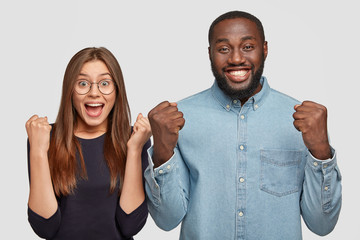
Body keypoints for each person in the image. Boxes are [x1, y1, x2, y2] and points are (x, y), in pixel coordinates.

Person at [144, 11, 342, 239]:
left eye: (248, 46)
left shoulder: (302, 121)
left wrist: (321, 152)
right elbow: (167, 220)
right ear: (210, 53)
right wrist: (161, 153)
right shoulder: (178, 119)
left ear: (265, 49)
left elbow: (322, 225)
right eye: (224, 49)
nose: (236, 58)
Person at [25, 47, 151, 239]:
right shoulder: (45, 138)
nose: (94, 93)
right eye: (83, 83)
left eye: (105, 83)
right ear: (70, 90)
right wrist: (38, 151)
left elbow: (130, 225)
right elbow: (45, 227)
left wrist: (134, 150)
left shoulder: (135, 138)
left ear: (117, 90)